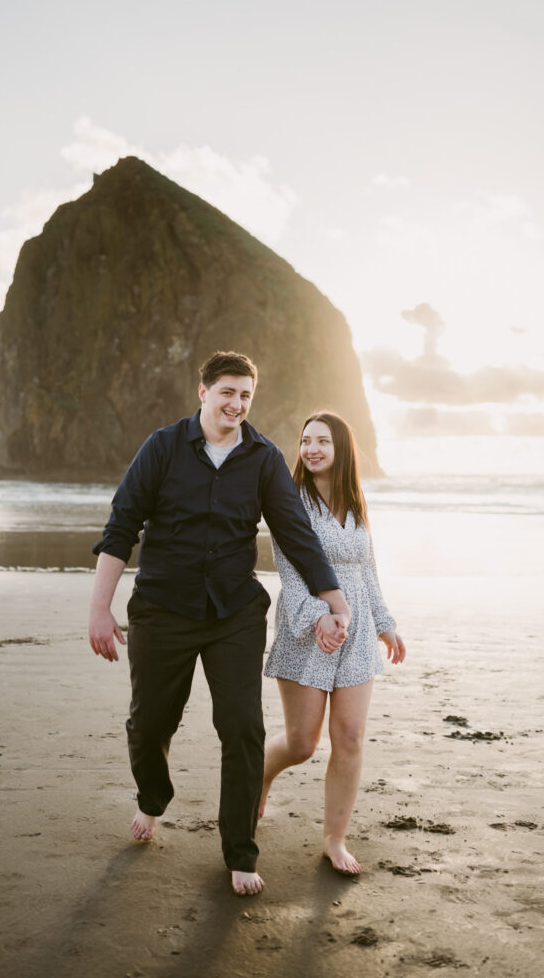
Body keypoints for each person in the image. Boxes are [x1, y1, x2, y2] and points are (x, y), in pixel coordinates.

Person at [88, 352, 351, 896]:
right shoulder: (162, 447)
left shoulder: (262, 457)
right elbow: (121, 528)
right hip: (162, 610)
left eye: (245, 395)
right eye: (227, 392)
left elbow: (296, 533)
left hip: (234, 612)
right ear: (203, 391)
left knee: (242, 726)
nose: (236, 404)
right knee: (151, 723)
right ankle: (152, 799)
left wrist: (335, 600)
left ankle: (239, 850)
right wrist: (99, 608)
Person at [261, 411, 405, 875]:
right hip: (308, 628)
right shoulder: (290, 500)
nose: (312, 449)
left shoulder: (356, 503)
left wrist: (385, 623)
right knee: (302, 743)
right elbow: (289, 569)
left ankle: (334, 839)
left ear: (341, 449)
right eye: (306, 441)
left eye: (323, 440)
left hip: (358, 630)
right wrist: (320, 618)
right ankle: (258, 780)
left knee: (349, 736)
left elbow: (367, 570)